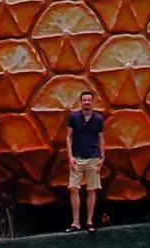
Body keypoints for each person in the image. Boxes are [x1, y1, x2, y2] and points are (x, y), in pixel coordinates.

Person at [65, 90, 104, 233]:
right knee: (73, 188)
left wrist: (102, 157)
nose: (86, 102)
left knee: (91, 190)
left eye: (89, 100)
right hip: (77, 157)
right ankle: (76, 222)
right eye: (84, 100)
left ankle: (89, 221)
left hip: (93, 157)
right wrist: (70, 155)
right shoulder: (74, 117)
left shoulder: (98, 118)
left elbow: (101, 138)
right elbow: (69, 137)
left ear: (92, 101)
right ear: (81, 102)